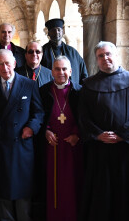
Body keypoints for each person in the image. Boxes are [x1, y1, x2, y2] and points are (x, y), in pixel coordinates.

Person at [78, 41, 129, 221]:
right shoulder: (88, 85)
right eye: (100, 56)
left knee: (126, 192)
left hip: (126, 149)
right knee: (101, 193)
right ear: (96, 60)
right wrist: (97, 134)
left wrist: (123, 135)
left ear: (116, 55)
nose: (105, 58)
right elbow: (83, 116)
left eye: (108, 54)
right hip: (100, 149)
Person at [0, 49, 44, 221]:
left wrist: (31, 128)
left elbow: (38, 113)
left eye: (8, 63)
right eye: (0, 64)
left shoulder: (29, 84)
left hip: (22, 145)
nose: (5, 67)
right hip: (0, 145)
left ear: (15, 64)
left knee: (23, 190)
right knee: (3, 189)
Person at [40, 56, 83, 221]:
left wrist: (77, 134)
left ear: (71, 71)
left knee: (72, 184)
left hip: (73, 145)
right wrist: (45, 131)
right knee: (53, 185)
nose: (61, 72)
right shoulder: (44, 91)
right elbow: (38, 114)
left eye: (65, 69)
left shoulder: (79, 91)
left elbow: (85, 117)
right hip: (52, 146)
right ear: (52, 71)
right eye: (57, 69)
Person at [41, 18, 88, 84]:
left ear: (62, 32)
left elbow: (83, 73)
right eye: (53, 30)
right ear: (48, 33)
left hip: (71, 91)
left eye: (58, 30)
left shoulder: (73, 52)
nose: (56, 32)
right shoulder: (42, 51)